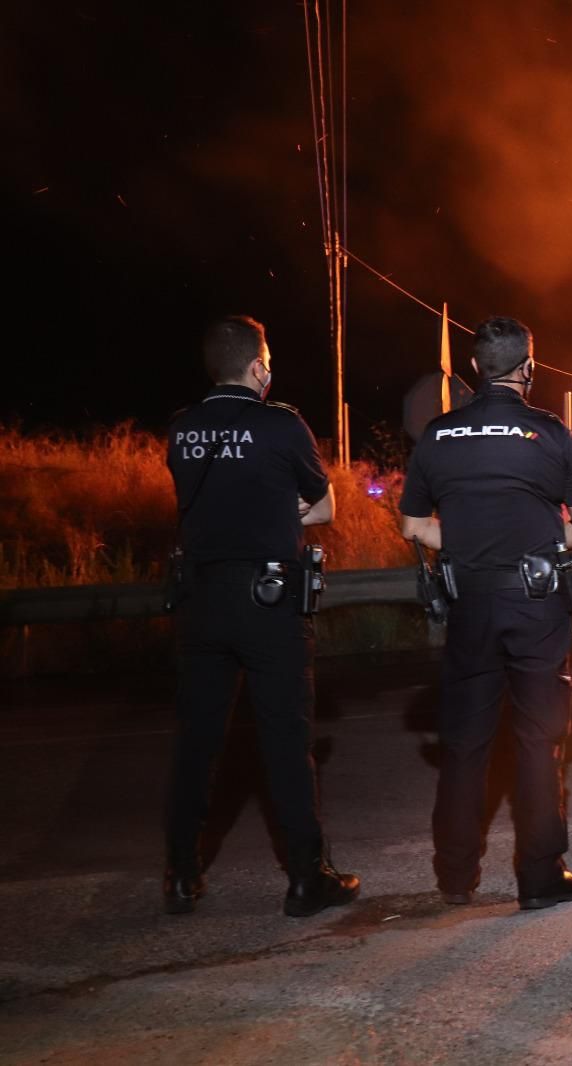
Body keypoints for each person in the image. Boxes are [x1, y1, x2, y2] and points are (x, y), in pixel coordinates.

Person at [399, 316, 572, 911]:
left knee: (464, 743)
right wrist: (545, 540)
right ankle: (540, 878)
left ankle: (455, 877)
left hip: (470, 603)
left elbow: (413, 526)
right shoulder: (550, 433)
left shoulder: (438, 435)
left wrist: (463, 542)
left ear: (475, 370)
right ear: (528, 368)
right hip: (536, 603)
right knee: (540, 740)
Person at [163, 315, 358, 917]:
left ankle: (180, 876)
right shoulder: (282, 424)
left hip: (199, 600)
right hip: (268, 602)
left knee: (197, 741)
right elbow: (323, 506)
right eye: (267, 360)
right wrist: (276, 512)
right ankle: (306, 880)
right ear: (257, 366)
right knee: (284, 740)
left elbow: (208, 502)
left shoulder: (182, 428)